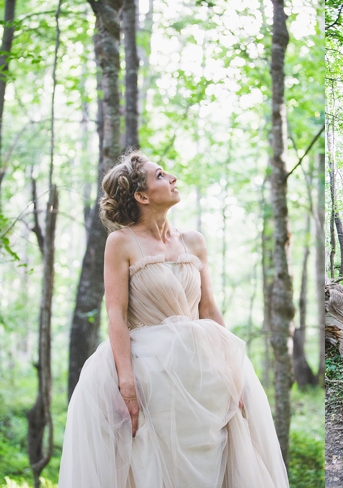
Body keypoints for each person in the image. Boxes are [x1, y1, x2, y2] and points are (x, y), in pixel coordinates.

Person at [59, 150, 289, 487]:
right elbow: (116, 316)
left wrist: (233, 369)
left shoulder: (193, 241)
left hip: (202, 373)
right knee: (155, 461)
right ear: (141, 196)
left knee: (215, 458)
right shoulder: (120, 243)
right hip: (150, 374)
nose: (173, 178)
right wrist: (127, 385)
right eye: (161, 175)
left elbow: (208, 309)